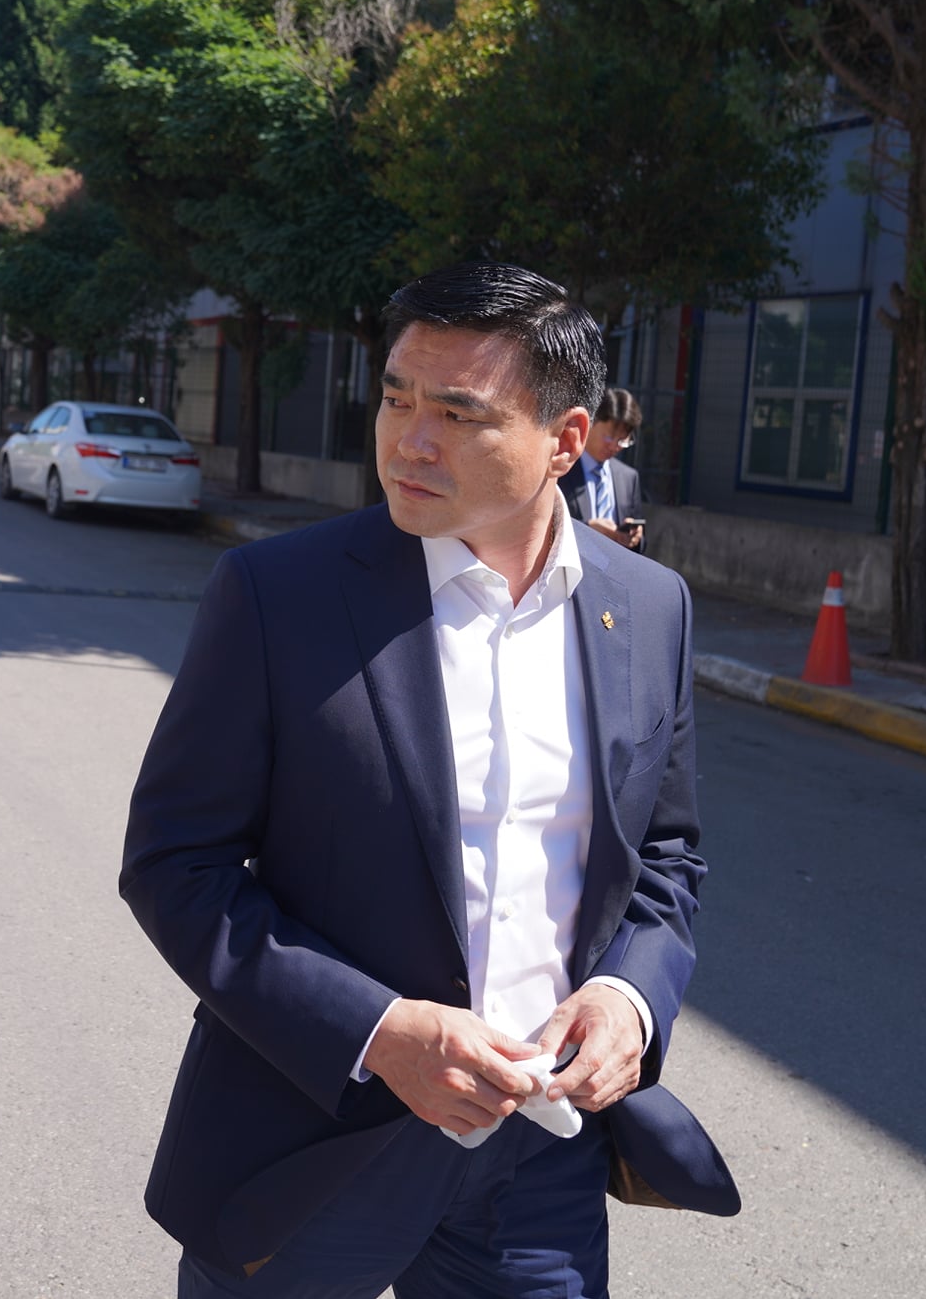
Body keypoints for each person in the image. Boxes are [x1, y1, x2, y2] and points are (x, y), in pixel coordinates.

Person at [121, 263, 734, 1298]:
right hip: (314, 1141)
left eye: (457, 413)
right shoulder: (278, 594)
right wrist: (376, 1030)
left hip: (541, 1158)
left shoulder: (648, 606)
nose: (407, 440)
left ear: (565, 440)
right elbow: (175, 864)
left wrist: (629, 997)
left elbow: (664, 855)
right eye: (397, 398)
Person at [560, 387, 647, 551]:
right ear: (589, 423)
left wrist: (636, 537)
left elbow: (640, 546)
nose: (614, 446)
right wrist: (587, 529)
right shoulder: (562, 468)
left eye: (622, 441)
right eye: (609, 437)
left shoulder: (629, 478)